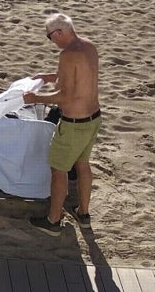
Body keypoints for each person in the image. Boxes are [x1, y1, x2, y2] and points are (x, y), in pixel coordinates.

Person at [23, 13, 101, 235]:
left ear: (59, 32)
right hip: (93, 118)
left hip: (74, 123)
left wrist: (35, 98)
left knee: (59, 171)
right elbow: (78, 77)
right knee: (83, 165)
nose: (52, 41)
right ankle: (83, 213)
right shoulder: (88, 46)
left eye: (50, 37)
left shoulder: (67, 55)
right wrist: (49, 77)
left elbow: (64, 96)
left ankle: (53, 220)